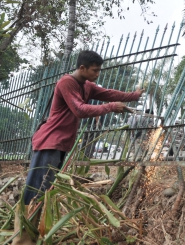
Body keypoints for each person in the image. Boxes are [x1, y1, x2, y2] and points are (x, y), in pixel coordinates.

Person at [15, 51, 143, 245]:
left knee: (46, 191)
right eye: (95, 70)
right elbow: (80, 110)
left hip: (59, 145)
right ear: (82, 68)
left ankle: (32, 236)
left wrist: (134, 96)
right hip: (49, 142)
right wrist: (110, 107)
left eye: (99, 70)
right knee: (36, 191)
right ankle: (22, 239)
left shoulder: (87, 85)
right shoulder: (66, 83)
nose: (97, 74)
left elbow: (108, 93)